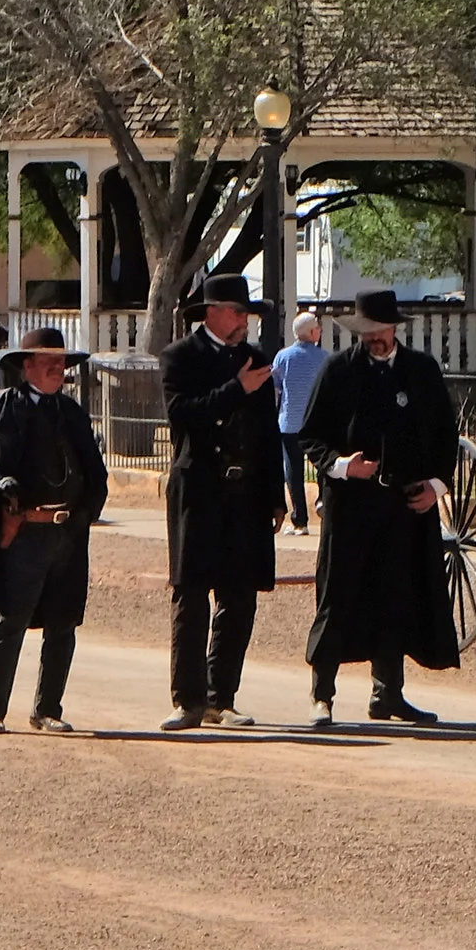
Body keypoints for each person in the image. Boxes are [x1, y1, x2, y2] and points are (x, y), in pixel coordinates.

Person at [304, 289, 461, 727]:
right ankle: (322, 695)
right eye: (366, 332)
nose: (374, 338)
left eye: (380, 330)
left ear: (394, 328)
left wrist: (435, 486)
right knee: (337, 596)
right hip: (351, 506)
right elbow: (311, 436)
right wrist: (340, 466)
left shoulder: (421, 371)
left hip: (406, 505)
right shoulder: (338, 371)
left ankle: (388, 693)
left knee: (398, 596)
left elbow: (446, 437)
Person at [0, 328, 109, 733]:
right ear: (27, 366)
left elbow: (95, 470)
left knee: (63, 623)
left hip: (67, 533)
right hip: (22, 532)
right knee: (11, 620)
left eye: (62, 362)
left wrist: (87, 511)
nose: (59, 368)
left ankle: (48, 709)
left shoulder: (70, 412)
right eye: (49, 361)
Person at [159, 269, 283, 731]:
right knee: (191, 594)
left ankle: (220, 696)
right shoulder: (179, 357)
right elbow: (182, 415)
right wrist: (237, 389)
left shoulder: (256, 358)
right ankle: (187, 699)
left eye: (247, 313)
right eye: (238, 312)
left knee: (239, 597)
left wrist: (275, 495)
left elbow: (268, 432)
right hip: (199, 491)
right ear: (213, 313)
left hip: (246, 492)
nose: (244, 320)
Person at [271, 308, 330, 532]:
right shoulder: (325, 358)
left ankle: (300, 520)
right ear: (311, 332)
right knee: (323, 464)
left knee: (293, 471)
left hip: (289, 422)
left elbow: (276, 389)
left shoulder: (283, 357)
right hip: (318, 423)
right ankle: (322, 499)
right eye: (317, 328)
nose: (320, 331)